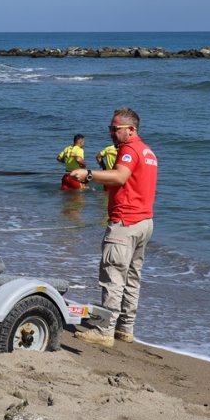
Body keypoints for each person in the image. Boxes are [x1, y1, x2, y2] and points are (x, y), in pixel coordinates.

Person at [69, 108, 157, 348]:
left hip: (125, 223)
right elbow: (128, 183)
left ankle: (105, 330)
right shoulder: (148, 151)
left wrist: (88, 175)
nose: (111, 133)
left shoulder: (129, 150)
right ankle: (125, 329)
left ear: (131, 129)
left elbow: (120, 177)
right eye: (110, 128)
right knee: (131, 277)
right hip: (144, 223)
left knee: (113, 276)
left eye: (115, 129)